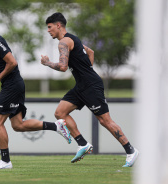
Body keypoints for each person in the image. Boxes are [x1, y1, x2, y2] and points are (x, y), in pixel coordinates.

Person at [0, 12, 72, 170]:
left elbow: (12, 63)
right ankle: (56, 126)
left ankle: (5, 161)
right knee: (18, 125)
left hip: (13, 85)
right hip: (11, 85)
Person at [41, 12, 139, 167]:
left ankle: (131, 150)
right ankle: (83, 144)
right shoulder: (74, 38)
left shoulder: (64, 43)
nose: (48, 30)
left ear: (58, 25)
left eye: (50, 27)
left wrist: (47, 63)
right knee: (60, 112)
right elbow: (91, 52)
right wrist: (86, 68)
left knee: (104, 120)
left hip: (91, 86)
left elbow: (63, 67)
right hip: (82, 85)